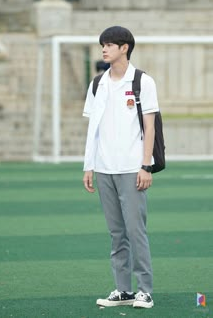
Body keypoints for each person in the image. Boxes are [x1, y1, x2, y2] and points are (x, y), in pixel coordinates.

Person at [82, 26, 159, 309]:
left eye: (109, 44)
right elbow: (93, 129)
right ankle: (124, 290)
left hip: (131, 168)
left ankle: (145, 290)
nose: (104, 49)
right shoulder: (96, 84)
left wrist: (145, 166)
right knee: (116, 233)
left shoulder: (142, 82)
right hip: (103, 169)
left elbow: (149, 127)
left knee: (136, 230)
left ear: (124, 48)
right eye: (102, 44)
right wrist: (88, 166)